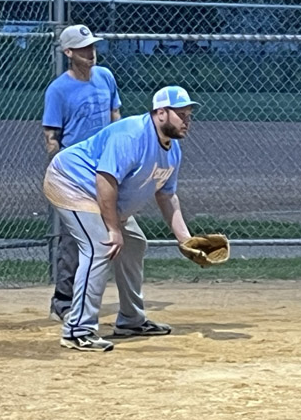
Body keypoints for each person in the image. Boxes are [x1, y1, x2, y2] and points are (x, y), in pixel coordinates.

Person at [42, 86, 198, 352]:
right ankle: (77, 330)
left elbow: (167, 196)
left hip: (98, 192)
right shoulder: (131, 135)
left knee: (134, 243)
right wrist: (113, 229)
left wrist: (185, 240)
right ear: (161, 113)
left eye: (188, 115)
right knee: (100, 246)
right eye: (180, 114)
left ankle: (131, 320)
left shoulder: (173, 151)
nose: (187, 120)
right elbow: (105, 181)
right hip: (70, 182)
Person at [42, 24, 122, 322]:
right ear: (68, 52)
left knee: (115, 234)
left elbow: (115, 116)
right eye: (83, 48)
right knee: (73, 239)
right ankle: (63, 301)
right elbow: (52, 136)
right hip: (75, 173)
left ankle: (96, 299)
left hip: (106, 169)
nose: (91, 52)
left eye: (92, 46)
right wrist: (62, 175)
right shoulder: (58, 90)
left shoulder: (105, 77)